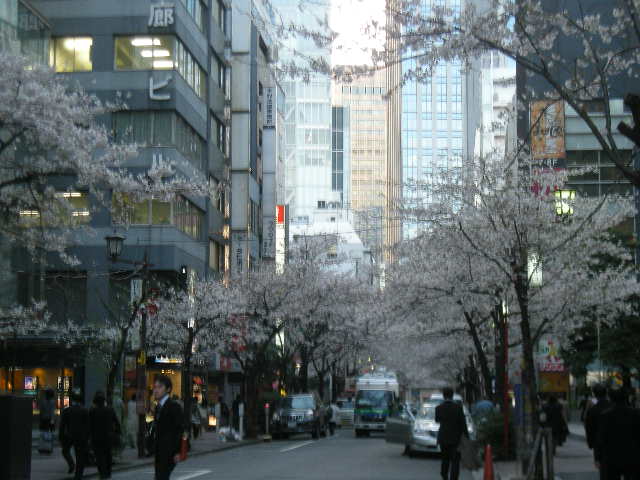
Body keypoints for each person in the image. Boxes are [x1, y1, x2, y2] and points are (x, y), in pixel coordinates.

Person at [596, 388, 640, 480]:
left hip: (610, 457)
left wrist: (598, 457)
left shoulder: (605, 415)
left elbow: (601, 438)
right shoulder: (635, 414)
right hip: (632, 455)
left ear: (611, 399)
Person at [153, 375, 185, 480]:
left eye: (160, 387)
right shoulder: (158, 407)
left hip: (169, 451)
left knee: (161, 477)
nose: (156, 390)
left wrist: (177, 451)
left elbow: (179, 429)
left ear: (168, 389)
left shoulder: (174, 406)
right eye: (155, 387)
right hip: (159, 451)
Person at [435, 387, 469, 480]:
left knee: (445, 459)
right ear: (452, 395)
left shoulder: (438, 408)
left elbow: (437, 420)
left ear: (443, 396)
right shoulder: (458, 408)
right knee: (455, 460)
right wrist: (466, 437)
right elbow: (463, 423)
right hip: (455, 437)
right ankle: (453, 478)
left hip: (443, 437)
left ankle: (444, 475)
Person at [89, 391, 120, 479]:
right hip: (108, 436)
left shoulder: (93, 411)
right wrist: (117, 432)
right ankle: (108, 472)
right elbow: (117, 423)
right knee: (108, 455)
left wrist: (89, 436)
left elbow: (90, 425)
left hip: (97, 437)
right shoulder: (110, 409)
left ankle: (102, 473)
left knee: (99, 456)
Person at [59, 393, 90, 479]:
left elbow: (62, 425)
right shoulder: (85, 411)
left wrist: (61, 436)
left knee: (65, 451)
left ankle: (71, 464)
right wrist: (87, 437)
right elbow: (88, 426)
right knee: (80, 456)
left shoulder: (67, 410)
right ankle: (78, 475)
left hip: (70, 435)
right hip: (81, 437)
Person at [585, 384, 610, 470]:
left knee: (604, 470)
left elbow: (589, 429)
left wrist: (590, 443)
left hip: (599, 444)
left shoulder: (592, 411)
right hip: (616, 443)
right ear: (606, 393)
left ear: (594, 394)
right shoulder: (612, 407)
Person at [38, 388, 56, 454]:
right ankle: (48, 448)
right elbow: (52, 413)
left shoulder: (43, 401)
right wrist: (52, 421)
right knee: (49, 434)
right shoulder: (52, 402)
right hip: (49, 420)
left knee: (43, 433)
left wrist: (40, 419)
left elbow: (41, 411)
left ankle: (42, 447)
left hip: (43, 419)